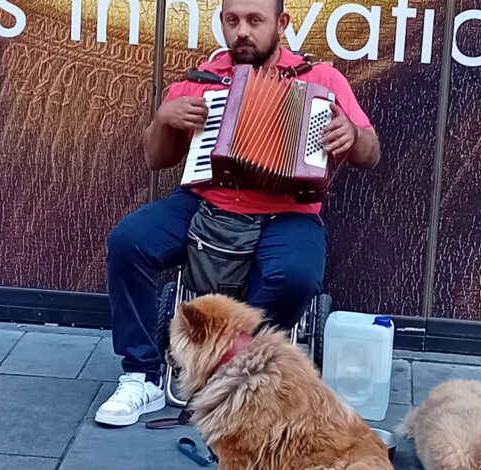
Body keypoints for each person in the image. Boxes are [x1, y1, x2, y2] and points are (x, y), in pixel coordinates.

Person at [94, 0, 380, 427]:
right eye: (232, 20)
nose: (242, 30)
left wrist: (353, 135)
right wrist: (164, 119)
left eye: (254, 20)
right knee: (128, 241)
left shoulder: (321, 79)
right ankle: (142, 376)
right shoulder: (201, 80)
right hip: (206, 200)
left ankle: (232, 370)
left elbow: (370, 153)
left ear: (281, 24)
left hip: (288, 210)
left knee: (296, 276)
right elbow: (157, 159)